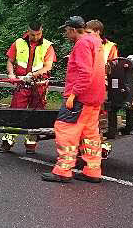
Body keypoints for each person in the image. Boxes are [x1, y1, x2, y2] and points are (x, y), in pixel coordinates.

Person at [42, 16, 107, 183]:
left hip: (81, 97)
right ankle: (93, 171)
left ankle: (63, 171)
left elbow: (84, 73)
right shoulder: (95, 41)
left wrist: (73, 94)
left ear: (72, 30)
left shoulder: (82, 44)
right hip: (95, 97)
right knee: (90, 133)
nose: (65, 34)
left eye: (66, 31)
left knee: (65, 130)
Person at [0, 21, 56, 154]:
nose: (35, 37)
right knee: (15, 111)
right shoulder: (18, 43)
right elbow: (10, 61)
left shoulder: (48, 46)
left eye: (38, 34)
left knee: (36, 114)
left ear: (42, 31)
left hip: (39, 85)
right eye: (33, 34)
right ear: (28, 31)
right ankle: (7, 141)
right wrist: (11, 74)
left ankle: (31, 143)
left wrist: (32, 75)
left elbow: (48, 66)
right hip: (22, 84)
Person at [85, 19, 119, 157]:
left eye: (89, 32)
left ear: (97, 32)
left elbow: (114, 67)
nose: (86, 35)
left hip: (103, 85)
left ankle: (100, 143)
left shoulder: (110, 47)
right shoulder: (85, 43)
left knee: (98, 116)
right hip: (88, 84)